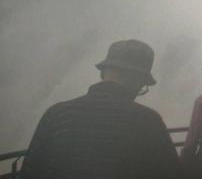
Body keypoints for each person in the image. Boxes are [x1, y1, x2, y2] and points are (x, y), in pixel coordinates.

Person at [20, 39, 181, 179]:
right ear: (137, 80)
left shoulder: (56, 114)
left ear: (103, 72)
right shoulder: (149, 121)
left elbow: (30, 172)